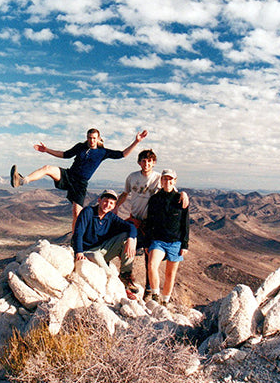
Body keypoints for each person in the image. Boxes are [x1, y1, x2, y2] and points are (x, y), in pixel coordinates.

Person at [10, 128, 147, 230]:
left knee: (77, 213)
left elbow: (123, 154)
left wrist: (136, 141)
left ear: (98, 139)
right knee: (47, 168)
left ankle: (76, 240)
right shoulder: (80, 147)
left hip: (80, 183)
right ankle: (22, 180)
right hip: (69, 175)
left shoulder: (103, 152)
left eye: (94, 138)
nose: (91, 140)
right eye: (89, 138)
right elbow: (65, 154)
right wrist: (47, 150)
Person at [113, 149, 188, 300]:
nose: (146, 164)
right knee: (126, 245)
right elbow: (125, 193)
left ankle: (149, 289)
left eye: (149, 161)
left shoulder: (159, 178)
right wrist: (116, 206)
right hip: (135, 220)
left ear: (154, 163)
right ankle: (128, 278)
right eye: (143, 161)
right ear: (139, 162)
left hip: (151, 223)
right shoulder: (132, 177)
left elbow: (172, 191)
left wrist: (184, 194)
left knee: (149, 256)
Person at [72, 189, 139, 300]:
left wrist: (131, 239)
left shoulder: (110, 217)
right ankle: (117, 283)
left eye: (111, 203)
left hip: (101, 249)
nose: (107, 205)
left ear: (114, 206)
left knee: (129, 237)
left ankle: (125, 276)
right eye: (105, 201)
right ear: (99, 200)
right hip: (86, 251)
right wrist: (78, 251)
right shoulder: (88, 212)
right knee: (96, 256)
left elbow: (130, 227)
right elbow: (78, 232)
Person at [145, 169, 189, 306]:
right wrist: (147, 242)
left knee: (170, 274)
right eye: (165, 179)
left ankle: (165, 301)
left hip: (175, 242)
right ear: (161, 181)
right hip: (158, 240)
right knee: (152, 265)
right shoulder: (155, 199)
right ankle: (155, 294)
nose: (167, 182)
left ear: (174, 181)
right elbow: (149, 222)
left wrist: (185, 244)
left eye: (170, 180)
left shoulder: (180, 199)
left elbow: (185, 223)